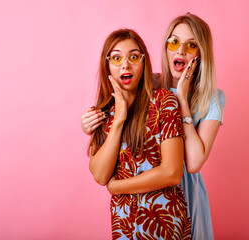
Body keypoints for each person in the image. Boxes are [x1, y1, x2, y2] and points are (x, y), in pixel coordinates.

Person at [82, 13, 225, 240]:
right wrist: (91, 121)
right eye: (174, 42)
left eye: (190, 45)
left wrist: (182, 102)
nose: (180, 51)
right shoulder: (148, 84)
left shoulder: (212, 98)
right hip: (134, 203)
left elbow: (193, 162)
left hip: (181, 191)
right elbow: (118, 121)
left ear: (201, 53)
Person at [88, 28, 191, 239]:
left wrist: (117, 187)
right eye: (116, 58)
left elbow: (172, 172)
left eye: (133, 56)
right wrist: (119, 121)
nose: (125, 64)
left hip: (166, 223)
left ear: (143, 62)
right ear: (106, 65)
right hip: (124, 227)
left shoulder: (165, 101)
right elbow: (100, 175)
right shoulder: (103, 114)